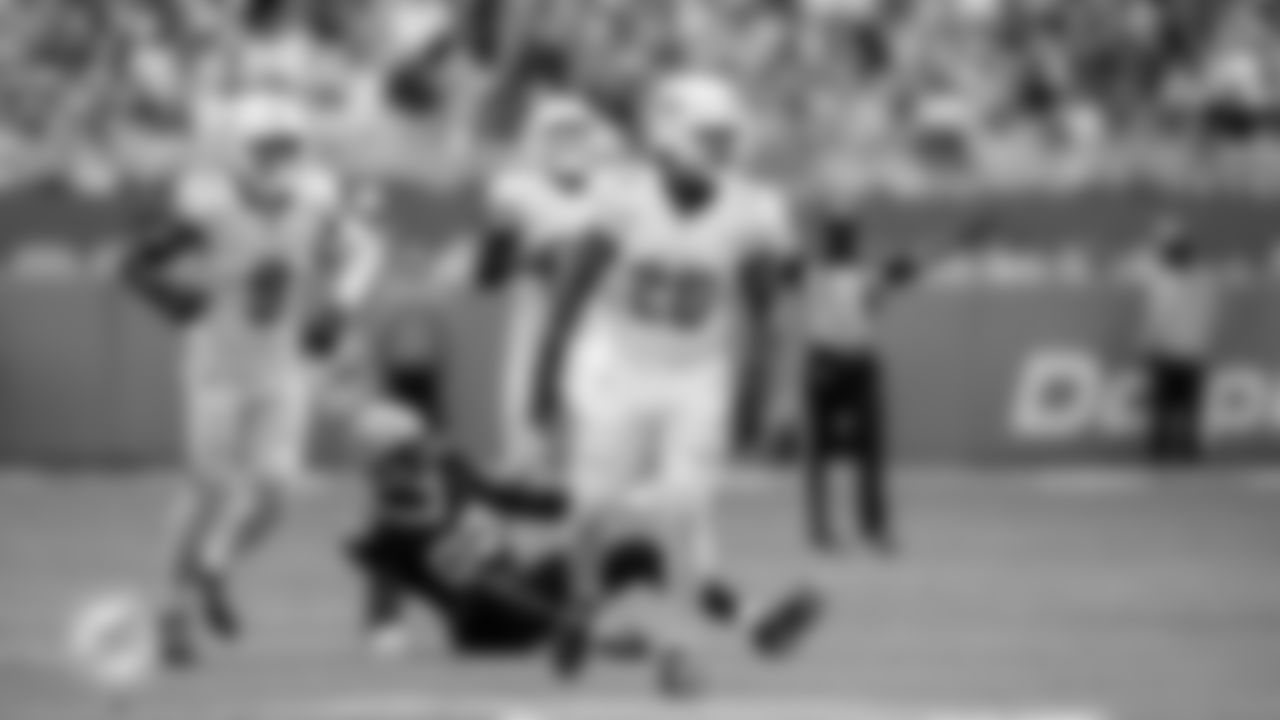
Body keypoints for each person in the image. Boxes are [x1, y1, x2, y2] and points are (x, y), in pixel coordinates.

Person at [534, 69, 823, 687]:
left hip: (697, 374)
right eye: (709, 135)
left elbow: (765, 314)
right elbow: (569, 295)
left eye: (726, 136)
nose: (722, 148)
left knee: (683, 508)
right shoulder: (621, 197)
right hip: (617, 363)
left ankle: (685, 646)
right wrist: (544, 374)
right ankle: (582, 607)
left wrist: (760, 395)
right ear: (669, 133)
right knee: (591, 507)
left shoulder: (751, 210)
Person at [121, 117, 384, 669]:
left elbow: (365, 254)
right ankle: (172, 610)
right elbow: (137, 263)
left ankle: (214, 566)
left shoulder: (316, 203)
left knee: (278, 490)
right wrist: (172, 300)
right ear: (239, 153)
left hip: (281, 366)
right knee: (209, 491)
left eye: (287, 148)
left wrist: (339, 306)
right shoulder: (209, 208)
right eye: (266, 148)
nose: (277, 160)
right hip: (215, 366)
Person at [798, 211, 916, 555]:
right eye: (840, 238)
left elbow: (888, 286)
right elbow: (885, 288)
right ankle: (829, 529)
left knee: (866, 451)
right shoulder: (822, 275)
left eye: (844, 238)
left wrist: (899, 271)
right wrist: (897, 272)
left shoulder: (831, 275)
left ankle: (868, 528)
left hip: (851, 364)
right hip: (831, 363)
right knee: (826, 452)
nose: (842, 244)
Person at [1130, 224, 1220, 465]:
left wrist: (1147, 343)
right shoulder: (1204, 280)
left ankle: (1163, 450)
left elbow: (1158, 317)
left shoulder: (1166, 282)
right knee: (1185, 406)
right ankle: (1186, 449)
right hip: (1192, 351)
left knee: (1165, 406)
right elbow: (1209, 314)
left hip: (1170, 351)